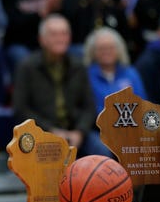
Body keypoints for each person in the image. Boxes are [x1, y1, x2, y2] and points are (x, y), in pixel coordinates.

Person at [12, 14, 100, 156]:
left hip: (76, 133)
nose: (60, 38)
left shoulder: (79, 66)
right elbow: (21, 109)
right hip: (41, 134)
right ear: (42, 39)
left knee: (101, 152)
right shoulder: (27, 67)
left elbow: (89, 107)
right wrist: (51, 131)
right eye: (54, 34)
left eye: (64, 33)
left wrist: (80, 132)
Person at [83, 27, 146, 158]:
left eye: (110, 47)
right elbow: (89, 109)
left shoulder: (131, 73)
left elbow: (142, 103)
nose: (106, 52)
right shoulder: (86, 75)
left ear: (119, 50)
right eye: (101, 48)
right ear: (93, 52)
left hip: (132, 128)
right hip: (99, 131)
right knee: (103, 149)